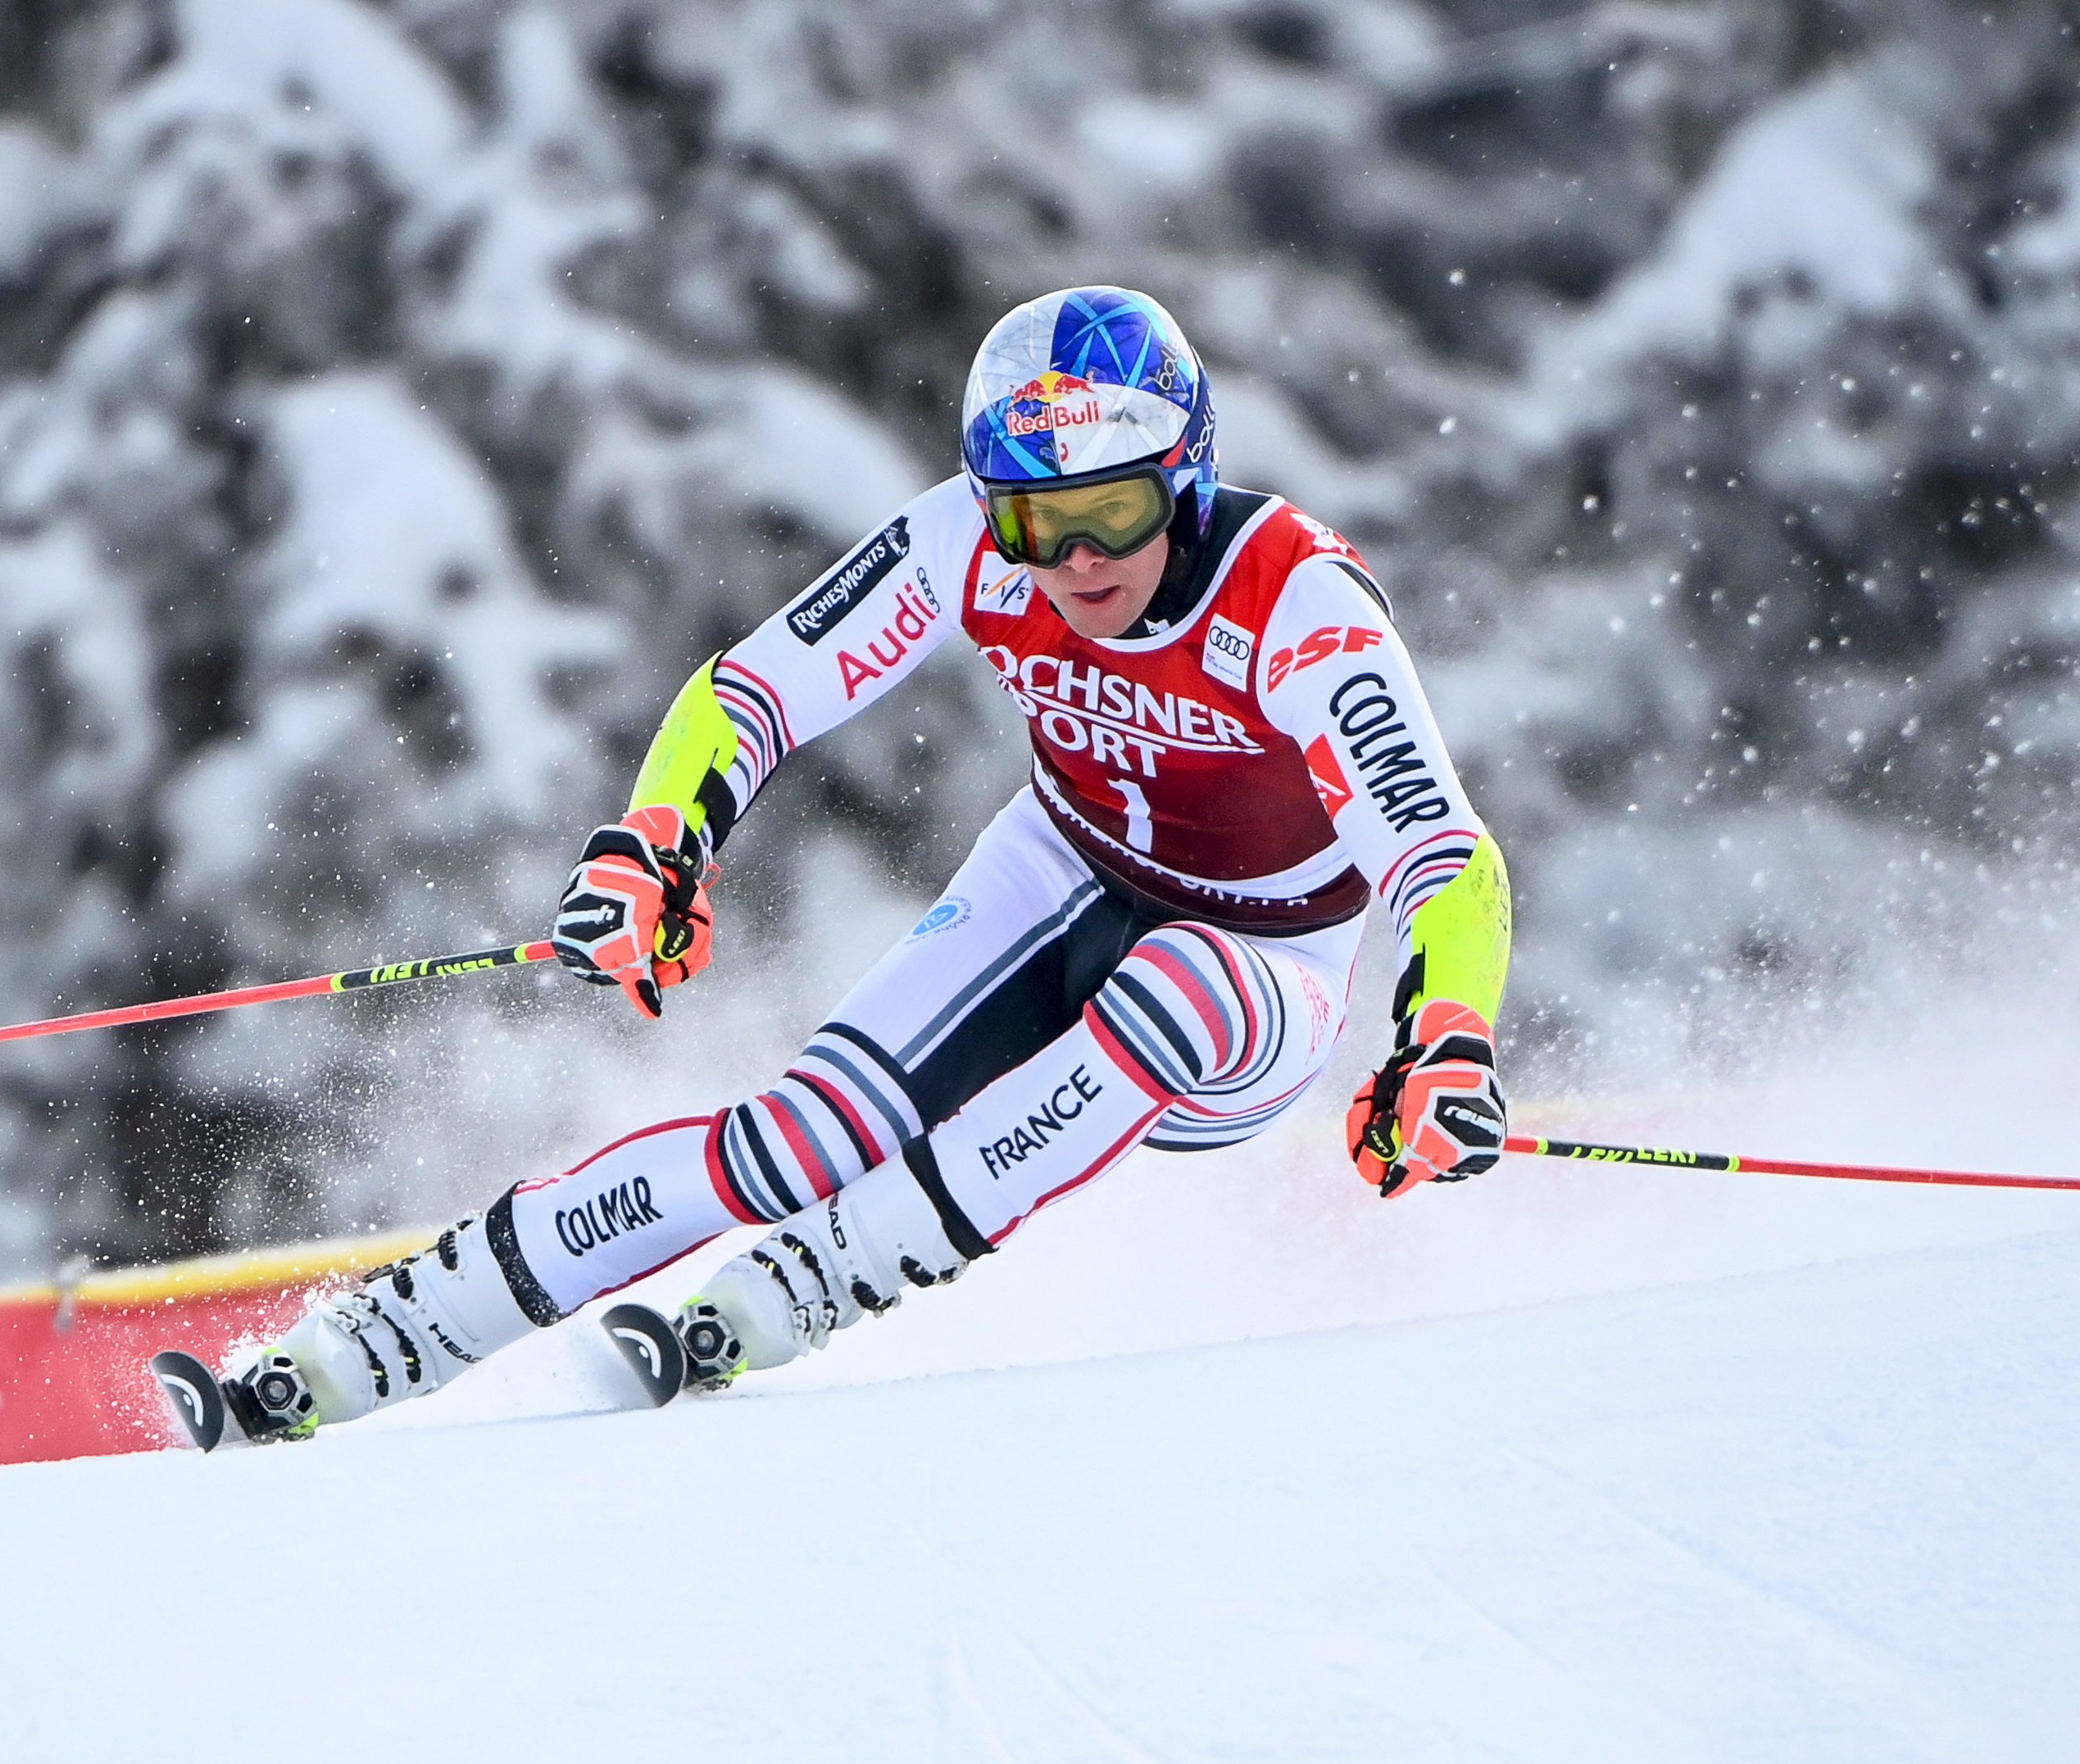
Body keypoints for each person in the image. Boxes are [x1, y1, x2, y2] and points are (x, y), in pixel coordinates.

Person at [211, 286, 1513, 1440]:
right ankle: (367, 1345)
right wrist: (662, 838)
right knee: (795, 1139)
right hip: (1057, 875)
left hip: (1264, 965)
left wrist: (1444, 1033)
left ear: (1184, 475)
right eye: (1032, 520)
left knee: (1178, 985)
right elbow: (757, 686)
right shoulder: (967, 538)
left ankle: (820, 1280)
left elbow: (1444, 855)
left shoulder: (1296, 600)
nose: (1076, 561)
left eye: (1112, 511)